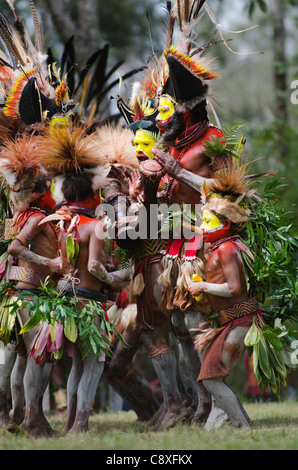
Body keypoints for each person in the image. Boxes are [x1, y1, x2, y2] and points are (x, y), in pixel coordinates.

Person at [0, 133, 62, 437]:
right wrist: (49, 264)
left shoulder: (22, 215)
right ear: (40, 190)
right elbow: (14, 248)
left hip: (23, 294)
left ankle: (19, 415)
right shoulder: (35, 217)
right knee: (39, 352)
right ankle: (31, 419)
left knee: (25, 356)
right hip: (29, 294)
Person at [188, 163, 257, 429]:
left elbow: (234, 288)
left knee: (211, 377)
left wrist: (203, 287)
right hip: (231, 323)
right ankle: (242, 423)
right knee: (211, 376)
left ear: (225, 223)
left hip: (240, 323)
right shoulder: (218, 248)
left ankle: (242, 426)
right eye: (202, 221)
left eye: (208, 221)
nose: (202, 227)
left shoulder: (227, 248)